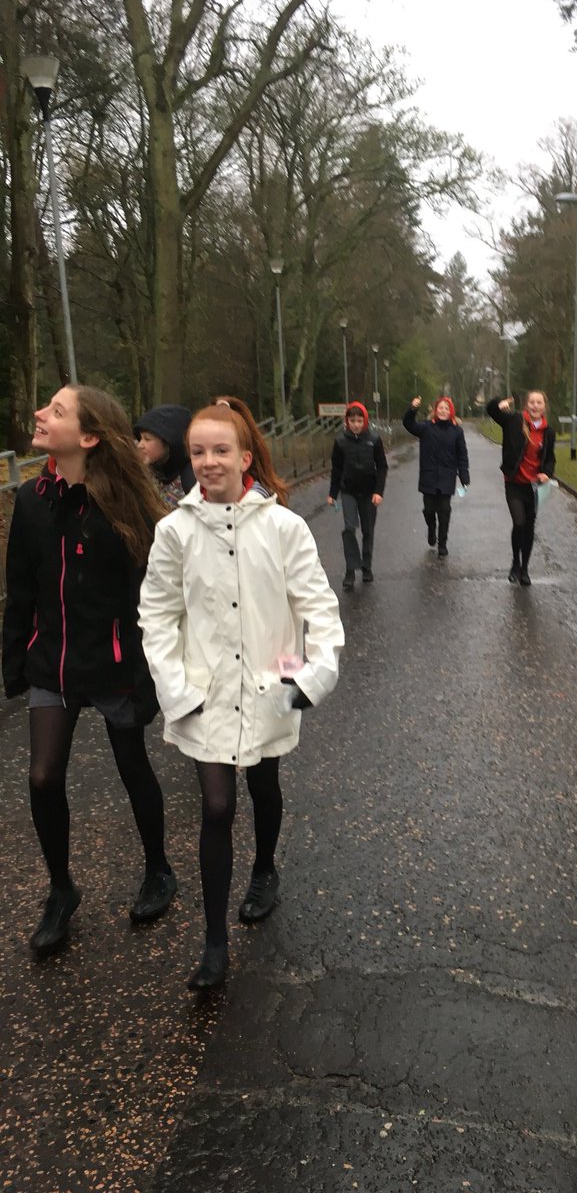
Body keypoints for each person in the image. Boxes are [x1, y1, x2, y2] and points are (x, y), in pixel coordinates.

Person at [139, 403, 343, 991]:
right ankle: (214, 942)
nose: (209, 462)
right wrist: (176, 690)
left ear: (245, 457)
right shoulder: (174, 532)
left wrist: (309, 676)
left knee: (264, 782)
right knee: (216, 807)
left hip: (267, 686)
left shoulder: (284, 528)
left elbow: (316, 607)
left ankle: (265, 868)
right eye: (198, 451)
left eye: (221, 450)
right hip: (204, 695)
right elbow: (157, 616)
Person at [2, 384, 175, 957]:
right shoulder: (31, 500)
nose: (40, 414)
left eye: (56, 411)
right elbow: (20, 589)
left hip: (114, 663)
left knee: (132, 766)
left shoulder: (126, 505)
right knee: (42, 777)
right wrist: (14, 662)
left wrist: (149, 677)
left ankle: (158, 868)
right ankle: (61, 890)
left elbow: (149, 598)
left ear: (90, 436)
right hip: (51, 662)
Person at [486, 391, 556, 586]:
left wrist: (547, 473)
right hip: (514, 482)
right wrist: (499, 402)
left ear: (544, 406)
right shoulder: (514, 421)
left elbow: (550, 459)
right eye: (532, 402)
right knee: (519, 523)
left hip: (533, 487)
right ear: (526, 404)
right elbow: (491, 410)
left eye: (539, 402)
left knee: (529, 527)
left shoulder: (548, 431)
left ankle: (524, 568)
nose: (535, 405)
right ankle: (515, 563)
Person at [327, 401, 387, 590]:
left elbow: (382, 467)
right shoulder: (341, 442)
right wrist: (332, 493)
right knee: (349, 529)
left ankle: (366, 566)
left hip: (369, 493)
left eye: (359, 421)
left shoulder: (374, 440)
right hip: (348, 492)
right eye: (352, 421)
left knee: (368, 531)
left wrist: (378, 492)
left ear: (365, 421)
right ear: (347, 421)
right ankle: (351, 569)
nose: (356, 424)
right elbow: (336, 469)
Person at [402, 394, 470, 556]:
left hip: (447, 476)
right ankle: (431, 528)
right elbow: (408, 424)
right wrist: (413, 409)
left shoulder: (457, 431)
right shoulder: (426, 427)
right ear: (435, 410)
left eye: (446, 408)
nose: (443, 411)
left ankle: (442, 543)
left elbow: (462, 455)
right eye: (440, 408)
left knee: (445, 510)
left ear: (451, 411)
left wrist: (464, 475)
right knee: (429, 509)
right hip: (429, 476)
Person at [134, 404, 196, 508]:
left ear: (168, 442)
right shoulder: (143, 472)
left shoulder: (191, 482)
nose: (140, 445)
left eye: (147, 439)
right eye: (140, 438)